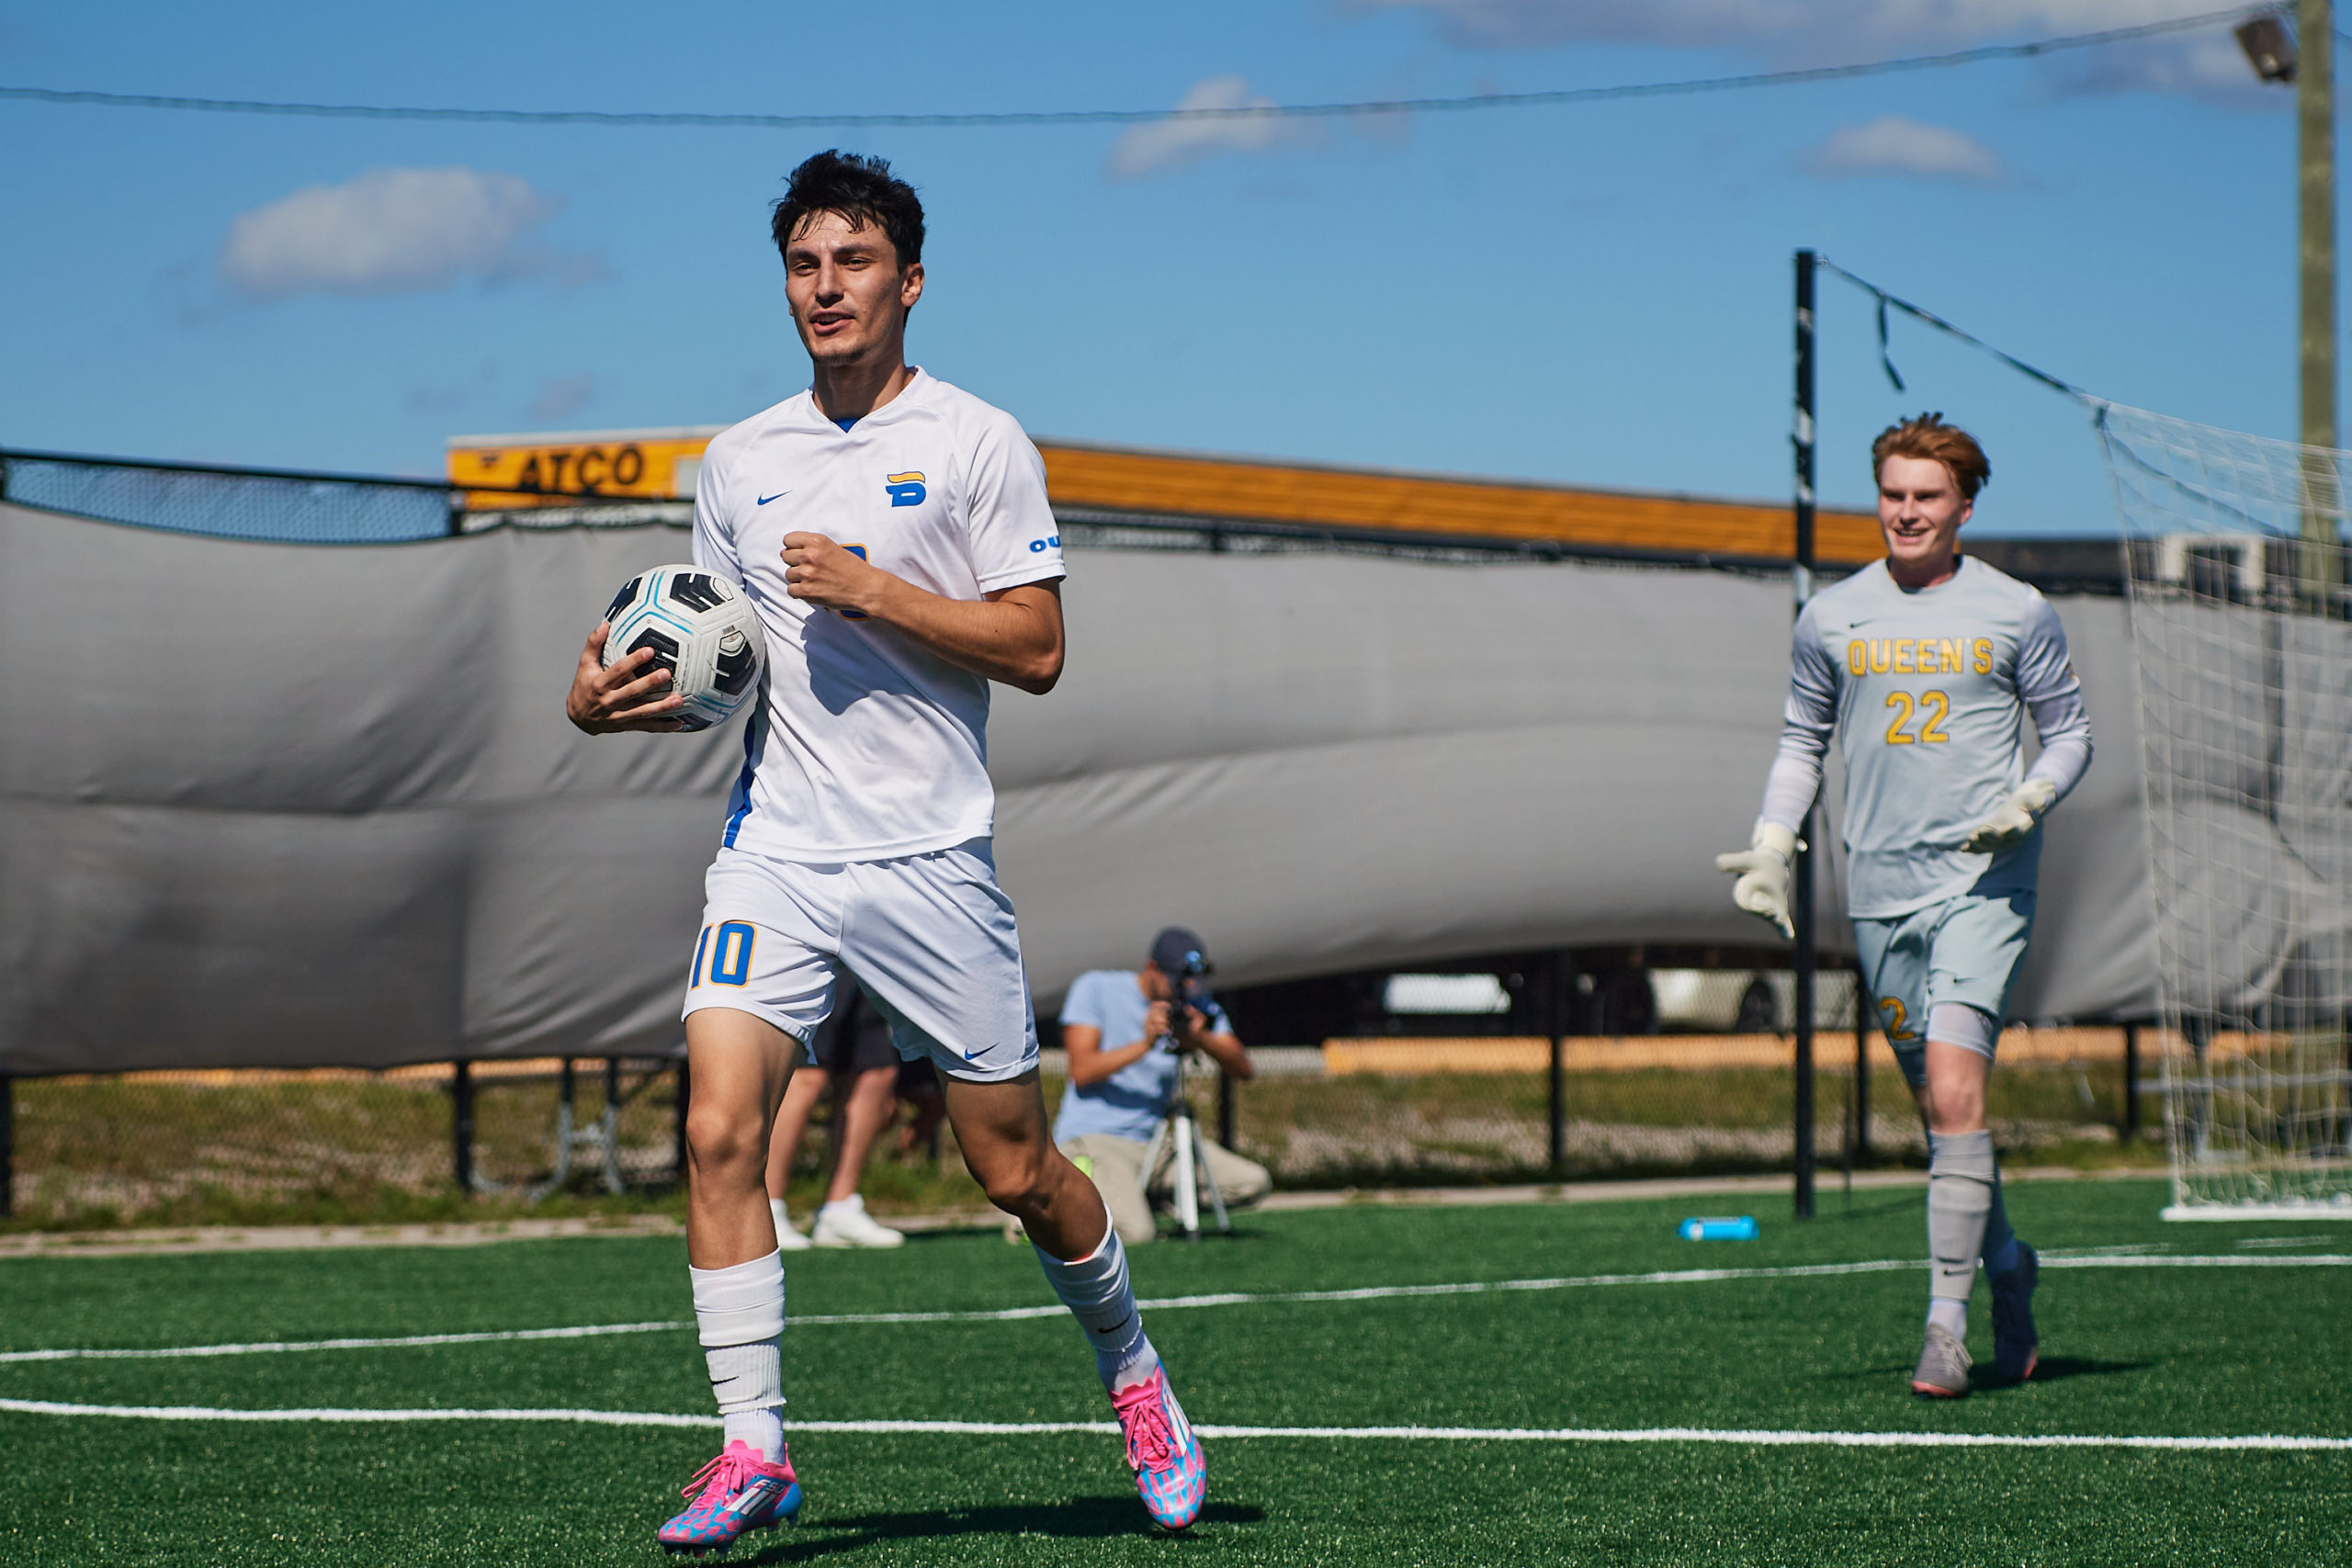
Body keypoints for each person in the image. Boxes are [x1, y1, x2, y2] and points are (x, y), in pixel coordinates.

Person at [566, 150, 1205, 1551]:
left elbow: (1037, 648)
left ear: (909, 282)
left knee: (1016, 1168)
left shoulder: (981, 441)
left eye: (852, 263)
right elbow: (715, 663)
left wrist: (879, 588)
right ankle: (752, 1447)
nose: (825, 287)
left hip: (931, 862)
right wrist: (606, 690)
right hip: (777, 852)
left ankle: (1137, 1374)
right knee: (720, 1128)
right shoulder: (738, 462)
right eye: (804, 265)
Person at [1714, 413, 2092, 1400]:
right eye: (1893, 494)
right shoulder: (1831, 617)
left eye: (1926, 496)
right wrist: (1769, 848)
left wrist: (2029, 801)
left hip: (1982, 885)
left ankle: (1943, 1328)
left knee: (1961, 1094)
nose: (1906, 512)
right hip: (1878, 895)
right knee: (1942, 1115)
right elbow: (1801, 742)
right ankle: (2009, 1269)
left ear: (1964, 506)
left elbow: (2069, 735)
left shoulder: (2017, 610)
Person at [1057, 928, 1269, 1245]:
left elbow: (1243, 1069)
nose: (1183, 988)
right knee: (1137, 1233)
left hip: (1155, 1145)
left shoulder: (1197, 1007)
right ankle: (1050, 1213)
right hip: (1096, 1140)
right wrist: (1145, 1044)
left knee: (1253, 1182)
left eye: (1191, 981)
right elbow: (1082, 1070)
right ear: (1152, 968)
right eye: (1176, 979)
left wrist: (1201, 1038)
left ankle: (1135, 1201)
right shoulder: (1096, 988)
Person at [764, 985, 907, 1250]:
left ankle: (839, 1210)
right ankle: (766, 1209)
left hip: (870, 954)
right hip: (819, 952)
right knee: (808, 1072)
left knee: (875, 1071)